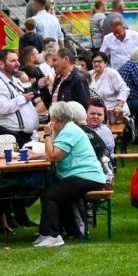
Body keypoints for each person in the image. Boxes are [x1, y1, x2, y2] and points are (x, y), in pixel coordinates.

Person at [31, 101, 108, 248]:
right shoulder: (67, 130)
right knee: (58, 195)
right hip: (84, 175)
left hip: (87, 176)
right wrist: (38, 154)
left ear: (55, 119)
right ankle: (66, 231)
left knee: (50, 195)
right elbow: (54, 151)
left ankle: (52, 235)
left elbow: (53, 156)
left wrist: (47, 135)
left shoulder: (69, 132)